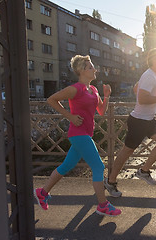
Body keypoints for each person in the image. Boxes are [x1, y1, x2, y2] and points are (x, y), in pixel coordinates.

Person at [33, 55, 121, 217]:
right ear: (81, 71)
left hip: (86, 133)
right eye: (90, 67)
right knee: (99, 167)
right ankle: (103, 205)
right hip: (78, 134)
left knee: (66, 166)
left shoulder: (93, 90)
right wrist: (70, 116)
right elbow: (51, 100)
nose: (95, 69)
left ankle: (42, 193)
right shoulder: (76, 88)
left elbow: (101, 111)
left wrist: (107, 95)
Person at [104, 48, 156, 197]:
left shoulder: (151, 76)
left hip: (148, 120)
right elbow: (142, 99)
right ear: (154, 60)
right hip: (139, 120)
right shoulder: (149, 76)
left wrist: (139, 90)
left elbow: (138, 92)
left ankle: (144, 171)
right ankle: (111, 181)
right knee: (127, 152)